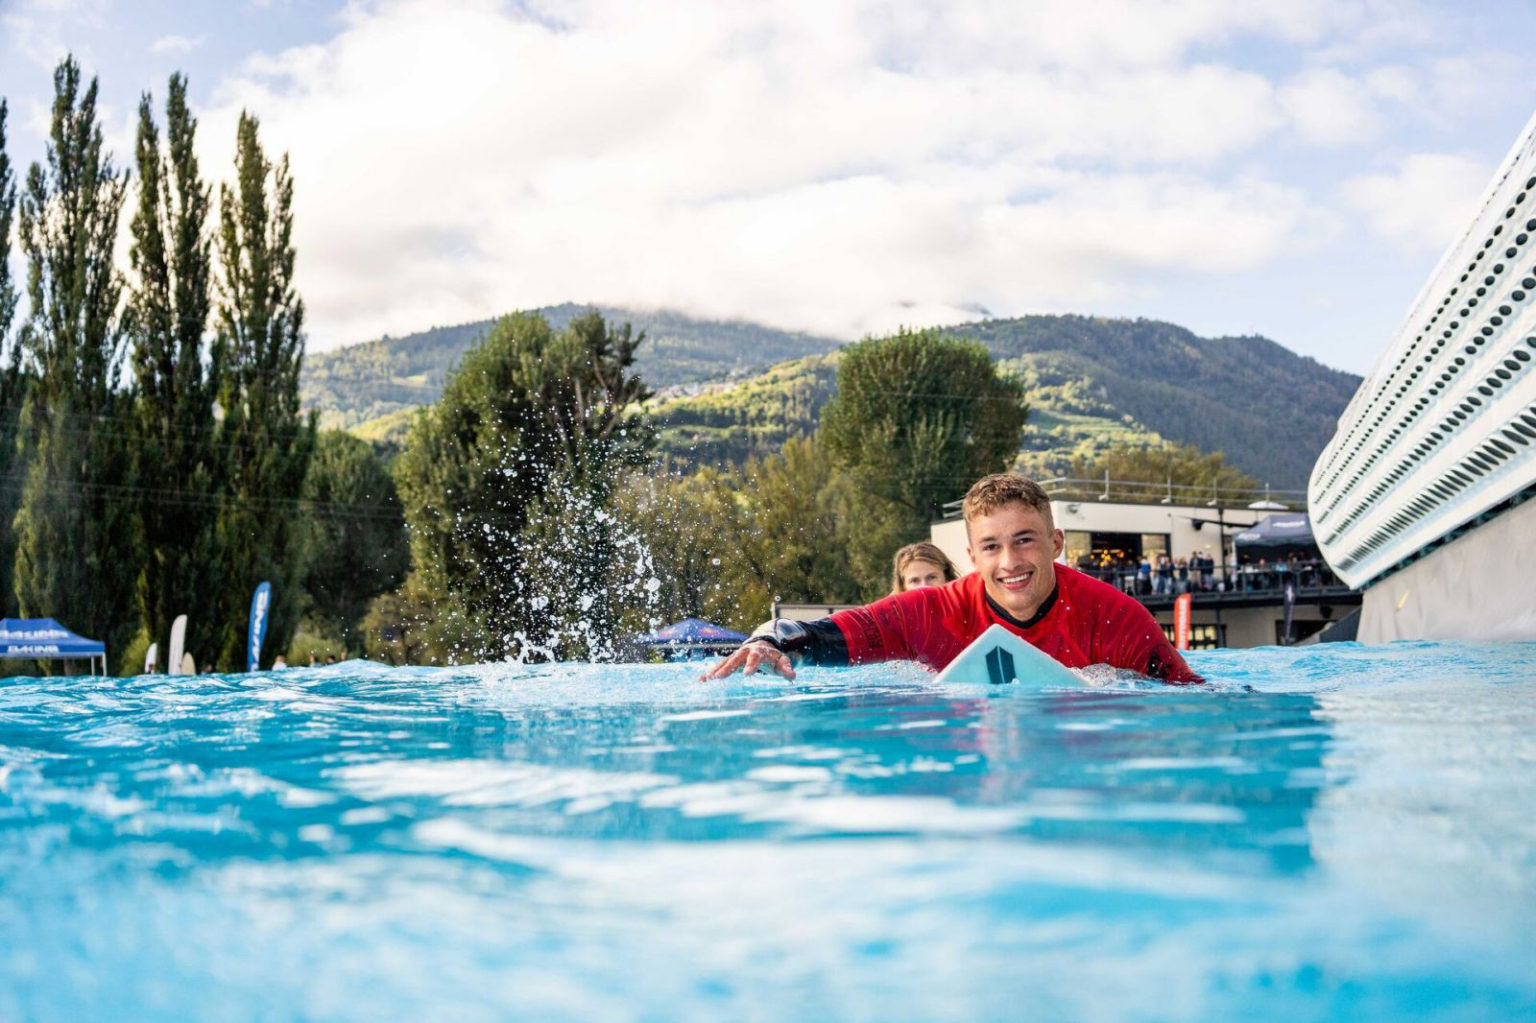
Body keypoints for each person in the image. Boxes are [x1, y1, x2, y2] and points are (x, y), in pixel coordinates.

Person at [703, 473, 1203, 685]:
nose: (1009, 561)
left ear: (1056, 543)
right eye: (991, 546)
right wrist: (769, 640)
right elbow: (822, 634)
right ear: (971, 554)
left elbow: (1189, 699)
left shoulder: (1116, 618)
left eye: (1025, 539)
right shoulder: (932, 610)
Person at [890, 541, 960, 595]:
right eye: (914, 581)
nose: (924, 586)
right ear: (904, 586)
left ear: (947, 578)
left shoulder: (966, 610)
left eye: (932, 577)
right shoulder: (893, 613)